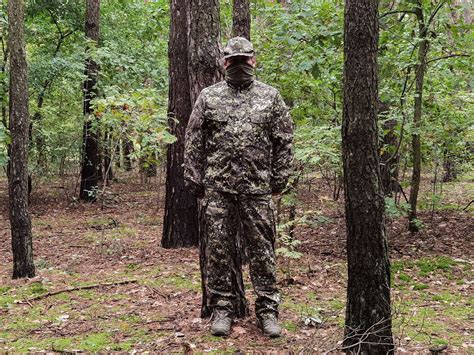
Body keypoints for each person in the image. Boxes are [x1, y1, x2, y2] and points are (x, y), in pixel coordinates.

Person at [184, 37, 294, 338]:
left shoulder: (270, 97)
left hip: (257, 189)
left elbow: (284, 140)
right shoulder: (209, 97)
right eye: (234, 60)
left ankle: (268, 311)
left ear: (254, 61)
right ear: (224, 63)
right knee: (219, 251)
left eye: (244, 59)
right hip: (218, 189)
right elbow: (193, 139)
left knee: (262, 251)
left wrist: (278, 178)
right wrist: (194, 179)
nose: (240, 65)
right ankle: (222, 309)